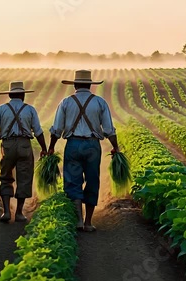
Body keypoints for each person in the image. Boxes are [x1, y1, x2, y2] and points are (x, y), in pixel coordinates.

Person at [48, 70, 119, 232]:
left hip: (73, 145)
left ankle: (78, 220)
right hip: (92, 146)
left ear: (74, 85)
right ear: (90, 85)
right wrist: (115, 146)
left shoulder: (66, 102)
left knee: (73, 181)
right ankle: (88, 222)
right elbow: (108, 129)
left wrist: (51, 147)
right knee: (92, 180)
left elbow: (56, 129)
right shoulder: (100, 102)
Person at [0, 81, 47, 223]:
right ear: (23, 95)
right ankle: (19, 213)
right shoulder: (30, 110)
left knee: (5, 176)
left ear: (10, 95)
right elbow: (38, 131)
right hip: (24, 145)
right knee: (24, 177)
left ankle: (6, 212)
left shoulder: (1, 109)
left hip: (8, 145)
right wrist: (44, 148)